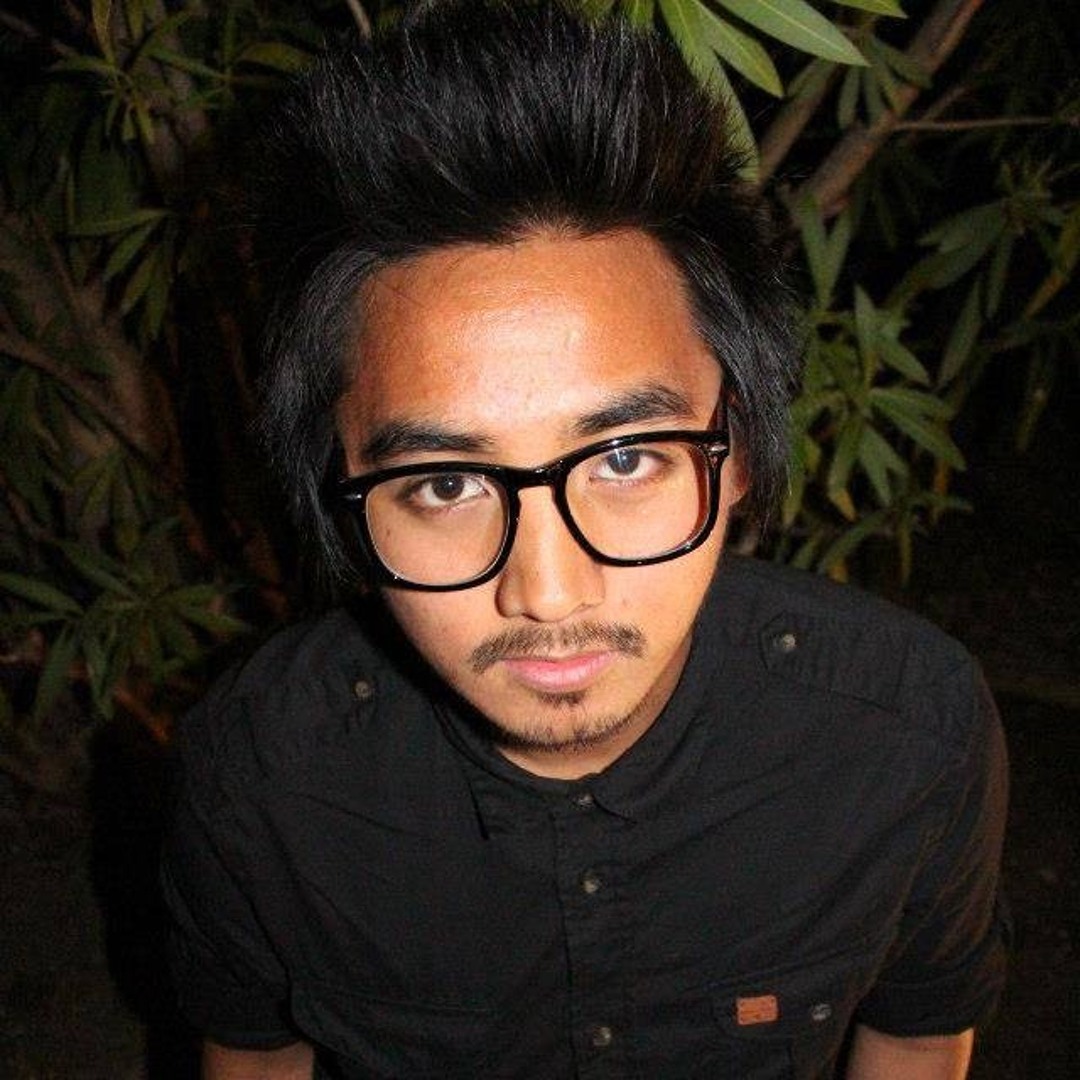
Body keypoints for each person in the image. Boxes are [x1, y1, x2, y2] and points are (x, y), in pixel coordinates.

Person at [161, 2, 1009, 1077]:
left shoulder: (911, 735)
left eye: (624, 460)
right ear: (341, 499)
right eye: (447, 483)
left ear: (739, 456)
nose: (550, 592)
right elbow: (254, 1060)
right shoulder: (256, 780)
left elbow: (920, 1034)